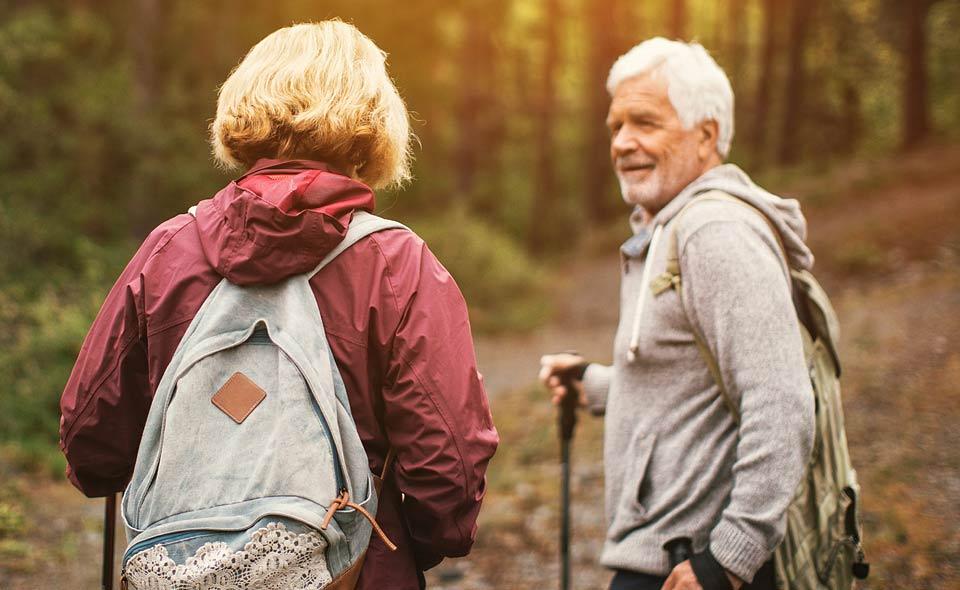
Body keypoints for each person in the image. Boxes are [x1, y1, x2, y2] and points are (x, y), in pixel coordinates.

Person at [59, 21, 498, 590]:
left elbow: (90, 442)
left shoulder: (168, 251)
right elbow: (450, 465)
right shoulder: (395, 263)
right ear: (373, 123)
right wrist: (406, 541)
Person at [540, 38, 814, 590]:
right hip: (664, 555)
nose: (623, 143)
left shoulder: (713, 231)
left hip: (691, 563)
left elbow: (782, 399)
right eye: (615, 126)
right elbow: (690, 384)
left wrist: (728, 560)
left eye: (644, 122)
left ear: (706, 135)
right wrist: (593, 384)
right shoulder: (667, 226)